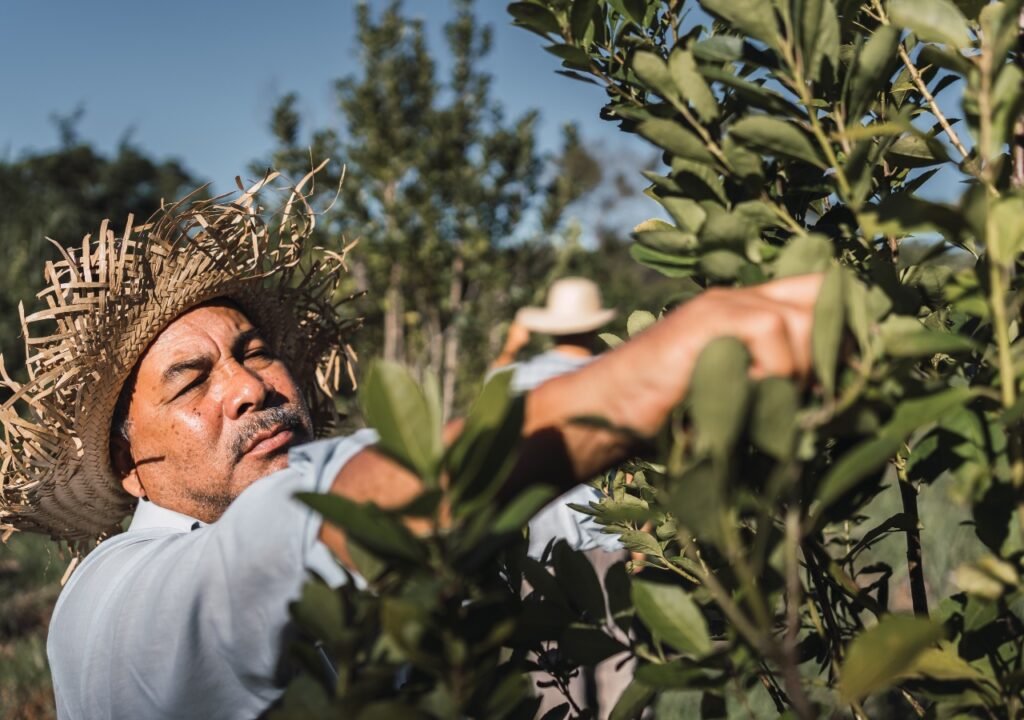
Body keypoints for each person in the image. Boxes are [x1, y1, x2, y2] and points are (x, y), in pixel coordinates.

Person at [0, 173, 821, 719]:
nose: (248, 386)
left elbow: (555, 539)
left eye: (255, 351)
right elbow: (291, 539)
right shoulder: (113, 605)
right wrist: (642, 380)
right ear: (126, 466)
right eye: (190, 381)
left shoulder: (359, 532)